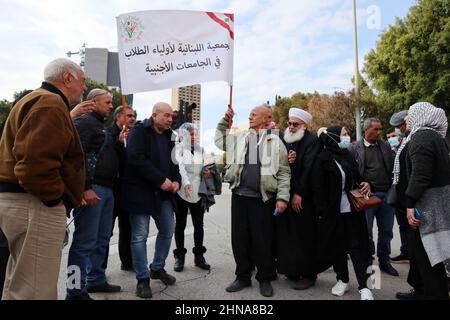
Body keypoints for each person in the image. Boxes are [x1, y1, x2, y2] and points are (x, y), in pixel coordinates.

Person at [0, 58, 86, 299]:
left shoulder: (37, 99)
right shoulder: (50, 103)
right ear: (67, 78)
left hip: (23, 202)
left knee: (18, 284)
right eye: (82, 80)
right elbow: (34, 166)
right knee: (36, 291)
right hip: (34, 203)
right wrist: (54, 200)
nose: (84, 87)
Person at [215, 105, 291, 298]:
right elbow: (220, 140)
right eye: (249, 114)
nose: (250, 116)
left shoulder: (275, 141)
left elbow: (283, 172)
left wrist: (282, 197)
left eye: (254, 114)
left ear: (267, 118)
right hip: (240, 196)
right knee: (239, 240)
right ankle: (242, 276)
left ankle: (264, 278)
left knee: (262, 241)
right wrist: (226, 120)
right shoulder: (240, 137)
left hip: (262, 199)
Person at [66, 89, 122, 300]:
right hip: (92, 190)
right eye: (107, 102)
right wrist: (85, 187)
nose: (110, 105)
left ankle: (95, 280)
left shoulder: (99, 126)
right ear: (93, 103)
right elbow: (77, 156)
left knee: (101, 240)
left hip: (106, 190)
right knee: (83, 244)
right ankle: (74, 291)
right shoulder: (84, 122)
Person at [121, 102, 181, 299]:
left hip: (164, 195)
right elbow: (136, 159)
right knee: (139, 235)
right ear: (154, 115)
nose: (170, 119)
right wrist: (160, 180)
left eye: (171, 116)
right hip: (141, 194)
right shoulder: (139, 131)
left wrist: (177, 181)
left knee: (167, 230)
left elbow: (175, 162)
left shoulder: (170, 135)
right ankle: (143, 278)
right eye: (166, 116)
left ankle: (157, 267)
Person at [395, 102, 450, 300]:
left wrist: (410, 204)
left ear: (420, 115)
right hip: (437, 204)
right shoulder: (435, 136)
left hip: (427, 207)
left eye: (410, 115)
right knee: (425, 255)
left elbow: (421, 176)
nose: (406, 119)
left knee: (429, 258)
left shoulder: (422, 137)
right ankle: (422, 291)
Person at [313, 125, 374, 300]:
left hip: (353, 211)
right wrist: (322, 214)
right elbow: (318, 189)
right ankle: (342, 280)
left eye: (347, 134)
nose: (348, 137)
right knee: (337, 247)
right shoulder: (322, 159)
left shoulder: (347, 155)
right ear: (333, 137)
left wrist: (367, 183)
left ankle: (365, 286)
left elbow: (358, 178)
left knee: (358, 247)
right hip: (333, 214)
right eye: (344, 134)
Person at [276, 107, 321, 290]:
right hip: (287, 194)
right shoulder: (288, 140)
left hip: (303, 197)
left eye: (295, 124)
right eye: (289, 123)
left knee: (304, 236)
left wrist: (299, 193)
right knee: (289, 236)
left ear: (305, 125)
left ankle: (309, 275)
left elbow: (310, 169)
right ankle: (292, 270)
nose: (291, 126)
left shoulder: (312, 141)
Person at [349, 118, 399, 276]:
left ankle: (384, 261)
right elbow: (351, 172)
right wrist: (363, 183)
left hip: (386, 196)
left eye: (379, 129)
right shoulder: (354, 148)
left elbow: (393, 168)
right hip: (366, 197)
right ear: (366, 130)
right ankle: (368, 261)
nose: (379, 132)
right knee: (367, 231)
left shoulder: (384, 146)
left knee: (386, 231)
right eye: (376, 129)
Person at [173, 123, 213, 272]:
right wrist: (186, 182)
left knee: (199, 224)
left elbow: (203, 167)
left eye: (196, 134)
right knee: (180, 225)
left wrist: (206, 172)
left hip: (197, 191)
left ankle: (199, 257)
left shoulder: (200, 150)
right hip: (183, 190)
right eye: (192, 134)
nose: (195, 136)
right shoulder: (178, 149)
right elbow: (180, 167)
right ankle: (180, 257)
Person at [102, 105, 137, 272]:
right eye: (129, 115)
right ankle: (100, 268)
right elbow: (104, 156)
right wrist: (118, 141)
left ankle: (127, 262)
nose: (132, 118)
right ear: (118, 117)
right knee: (105, 231)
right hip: (110, 189)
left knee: (127, 228)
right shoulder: (107, 133)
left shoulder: (135, 135)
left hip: (128, 190)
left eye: (134, 116)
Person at [388, 110, 411, 264]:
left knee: (412, 226)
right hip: (399, 193)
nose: (395, 134)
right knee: (403, 225)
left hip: (409, 193)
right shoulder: (398, 146)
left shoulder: (411, 140)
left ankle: (414, 253)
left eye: (397, 128)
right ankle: (406, 251)